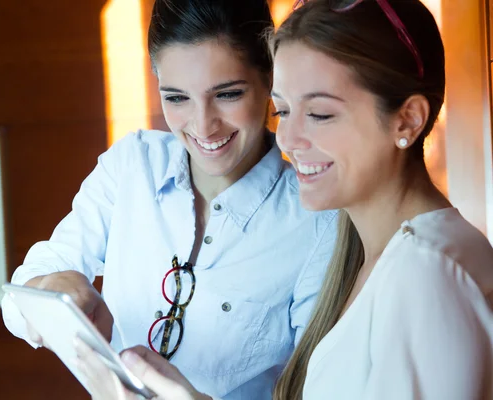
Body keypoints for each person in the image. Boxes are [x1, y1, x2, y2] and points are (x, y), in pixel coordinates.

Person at [74, 0, 493, 399]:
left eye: (320, 114)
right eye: (284, 111)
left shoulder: (428, 273)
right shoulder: (370, 257)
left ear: (408, 119)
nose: (289, 140)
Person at [1, 0, 338, 399]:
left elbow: (320, 389)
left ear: (269, 78)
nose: (203, 126)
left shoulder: (318, 222)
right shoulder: (131, 166)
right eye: (177, 98)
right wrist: (54, 288)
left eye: (227, 94)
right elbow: (20, 298)